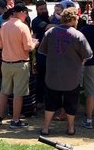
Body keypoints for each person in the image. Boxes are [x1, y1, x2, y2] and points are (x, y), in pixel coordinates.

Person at [38, 8, 91, 136]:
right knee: (71, 103)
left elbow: (42, 51)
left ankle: (45, 128)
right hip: (71, 76)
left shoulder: (50, 33)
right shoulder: (78, 35)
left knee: (50, 103)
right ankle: (71, 128)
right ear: (73, 19)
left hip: (53, 74)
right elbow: (87, 55)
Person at [0, 4, 34, 129]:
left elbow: (0, 45)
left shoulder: (4, 25)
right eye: (26, 13)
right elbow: (28, 47)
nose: (26, 15)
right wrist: (35, 43)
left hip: (6, 62)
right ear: (21, 12)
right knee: (19, 93)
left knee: (4, 91)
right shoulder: (23, 27)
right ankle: (15, 120)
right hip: (20, 63)